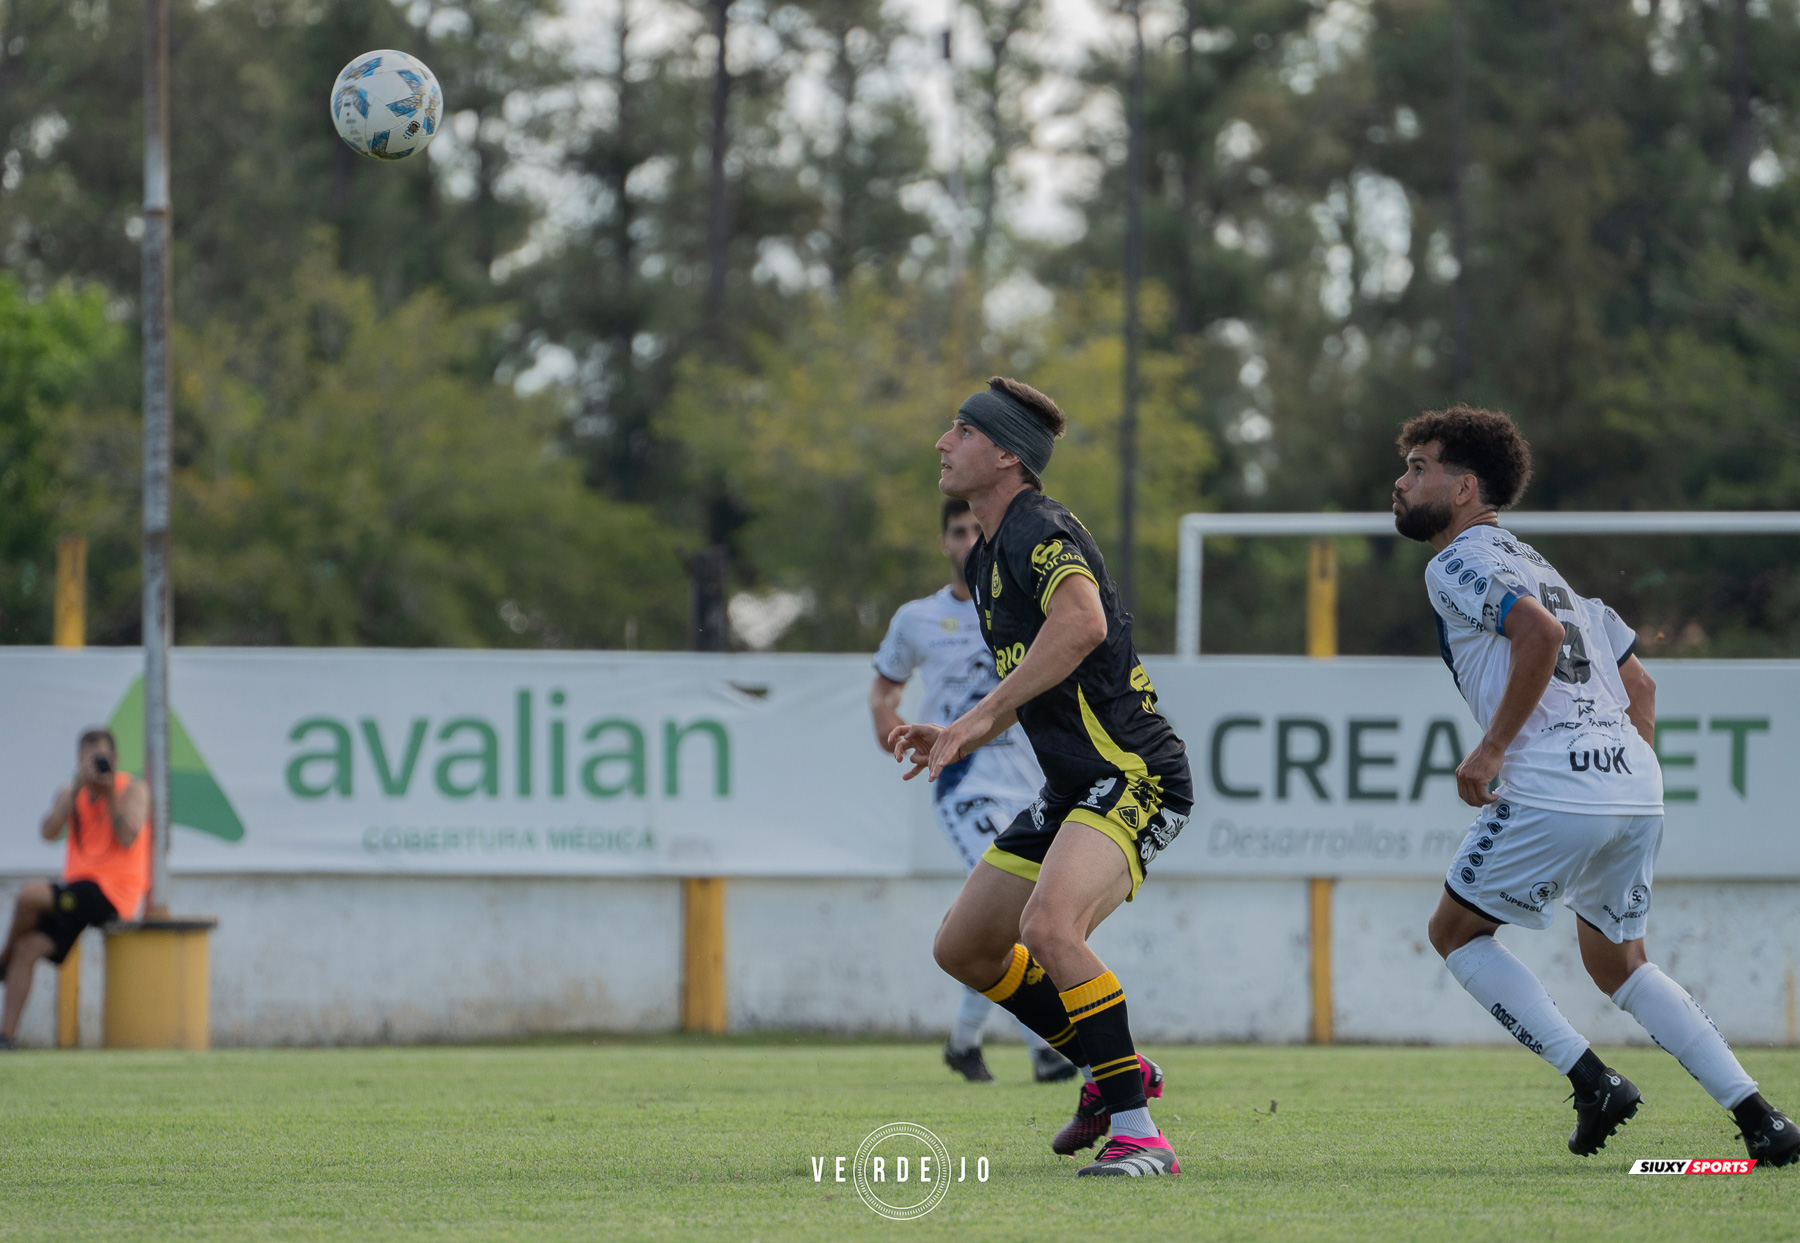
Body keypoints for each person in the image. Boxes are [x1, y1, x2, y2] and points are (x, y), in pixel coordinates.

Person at [1393, 404, 1798, 1167]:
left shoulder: (1456, 561)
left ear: (1465, 487)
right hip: (1635, 784)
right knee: (1621, 964)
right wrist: (1614, 770)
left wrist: (1491, 750)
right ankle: (1762, 1120)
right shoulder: (1546, 569)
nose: (1401, 480)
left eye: (1419, 467)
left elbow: (1537, 637)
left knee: (1455, 933)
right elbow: (1638, 683)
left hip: (1555, 782)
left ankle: (1593, 1081)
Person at [888, 377, 1192, 1178]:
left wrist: (973, 718)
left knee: (1049, 927)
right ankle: (1111, 1064)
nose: (943, 444)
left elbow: (1083, 624)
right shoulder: (989, 557)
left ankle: (1139, 1133)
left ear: (1006, 454)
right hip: (1070, 790)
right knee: (966, 946)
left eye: (960, 430)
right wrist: (962, 728)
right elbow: (1034, 680)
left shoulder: (1038, 526)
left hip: (1134, 773)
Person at [871, 497, 1074, 1085]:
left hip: (1029, 783)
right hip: (962, 783)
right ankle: (1047, 1049)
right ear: (945, 542)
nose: (967, 540)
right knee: (1017, 908)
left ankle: (963, 1041)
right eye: (956, 531)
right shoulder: (917, 619)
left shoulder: (1019, 612)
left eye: (975, 529)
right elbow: (882, 693)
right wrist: (895, 735)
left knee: (998, 920)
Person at [0, 728, 152, 1049]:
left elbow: (128, 837)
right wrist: (75, 791)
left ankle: (1, 959)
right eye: (88, 757)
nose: (96, 763)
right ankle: (7, 1037)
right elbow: (47, 831)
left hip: (113, 893)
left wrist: (109, 795)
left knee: (30, 895)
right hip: (77, 891)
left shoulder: (132, 789)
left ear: (115, 759)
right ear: (78, 760)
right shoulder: (72, 792)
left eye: (102, 757)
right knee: (28, 948)